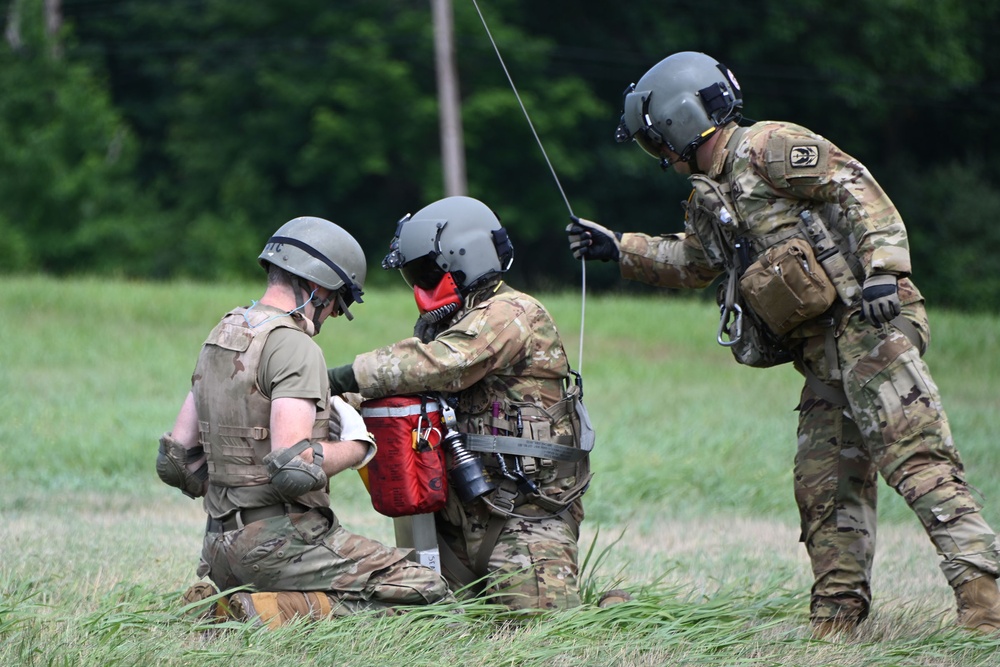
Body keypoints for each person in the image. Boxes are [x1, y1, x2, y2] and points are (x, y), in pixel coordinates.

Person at [567, 51, 1000, 636]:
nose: (658, 157)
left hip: (868, 325)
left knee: (914, 458)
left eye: (654, 141)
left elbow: (856, 187)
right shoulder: (710, 195)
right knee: (825, 481)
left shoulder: (768, 147)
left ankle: (985, 601)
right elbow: (696, 262)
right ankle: (837, 616)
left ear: (679, 120)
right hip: (822, 351)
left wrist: (882, 271)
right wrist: (620, 249)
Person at [157, 216, 452, 628]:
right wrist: (358, 446)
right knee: (428, 591)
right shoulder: (295, 346)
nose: (331, 314)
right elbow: (293, 471)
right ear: (318, 288)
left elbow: (177, 465)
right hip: (279, 546)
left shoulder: (222, 333)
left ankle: (230, 598)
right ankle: (268, 611)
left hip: (217, 547)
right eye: (336, 303)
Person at [327, 195, 595, 611]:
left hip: (524, 518)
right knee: (422, 624)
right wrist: (323, 399)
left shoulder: (512, 312)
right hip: (456, 516)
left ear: (464, 257)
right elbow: (406, 388)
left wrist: (340, 376)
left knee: (539, 636)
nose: (419, 286)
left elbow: (439, 365)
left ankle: (611, 606)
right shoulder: (449, 325)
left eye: (426, 272)